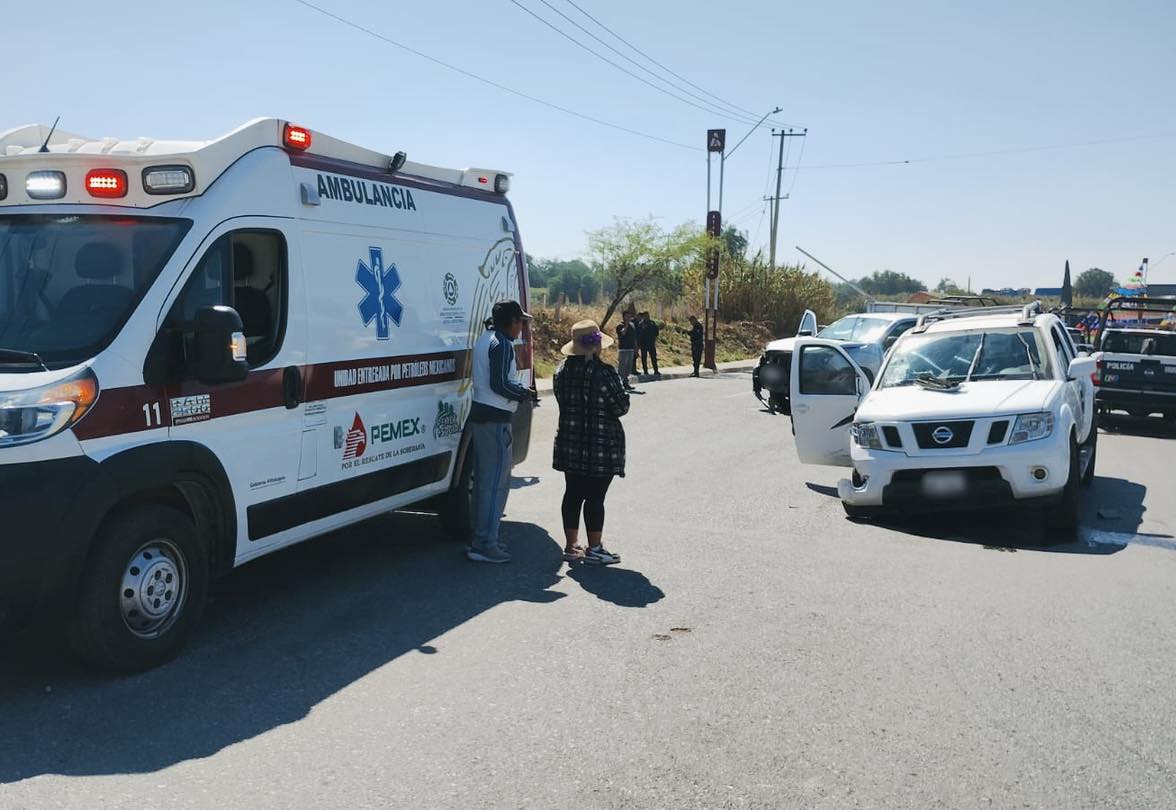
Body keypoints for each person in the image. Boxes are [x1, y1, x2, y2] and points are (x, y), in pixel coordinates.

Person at [553, 320, 629, 565]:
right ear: (597, 346)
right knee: (596, 497)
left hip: (570, 442)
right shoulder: (605, 372)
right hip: (601, 444)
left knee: (573, 493)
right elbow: (621, 406)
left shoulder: (561, 371)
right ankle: (595, 548)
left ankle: (571, 545)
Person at [467, 300, 532, 564]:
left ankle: (480, 538)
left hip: (482, 415)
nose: (521, 327)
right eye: (521, 322)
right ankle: (485, 543)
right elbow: (500, 383)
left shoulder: (485, 338)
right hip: (495, 419)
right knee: (495, 484)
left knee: (484, 482)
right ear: (513, 321)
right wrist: (523, 393)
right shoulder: (502, 344)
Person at [615, 317, 637, 391]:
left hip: (630, 348)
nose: (628, 318)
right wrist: (626, 325)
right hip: (623, 349)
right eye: (626, 316)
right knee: (622, 367)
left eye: (629, 316)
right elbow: (623, 333)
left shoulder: (632, 325)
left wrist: (636, 347)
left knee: (628, 367)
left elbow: (634, 337)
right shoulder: (620, 326)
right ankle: (619, 384)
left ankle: (626, 383)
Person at [636, 311, 660, 377]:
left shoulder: (652, 323)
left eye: (648, 316)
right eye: (645, 316)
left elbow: (656, 332)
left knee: (653, 357)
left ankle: (656, 370)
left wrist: (654, 338)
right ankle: (645, 371)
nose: (647, 317)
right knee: (644, 358)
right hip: (643, 343)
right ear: (643, 317)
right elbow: (638, 334)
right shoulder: (640, 324)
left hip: (651, 343)